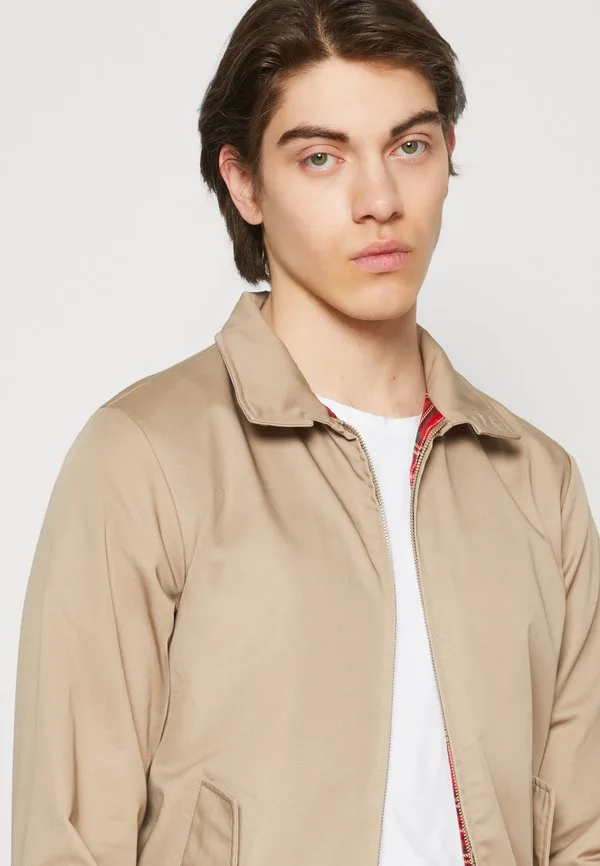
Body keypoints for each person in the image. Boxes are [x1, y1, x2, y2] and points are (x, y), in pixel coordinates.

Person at [11, 0, 599, 864]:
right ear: (245, 183)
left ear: (448, 153)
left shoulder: (537, 482)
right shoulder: (143, 458)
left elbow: (584, 833)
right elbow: (67, 838)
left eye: (410, 146)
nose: (380, 200)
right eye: (321, 157)